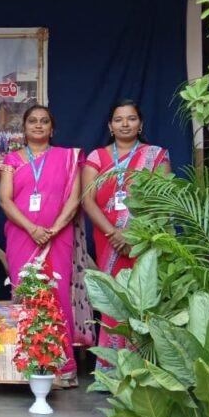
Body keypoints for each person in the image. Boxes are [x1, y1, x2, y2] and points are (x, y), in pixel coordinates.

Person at [82, 99, 170, 370]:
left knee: (143, 297)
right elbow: (87, 200)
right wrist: (113, 234)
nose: (125, 124)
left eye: (131, 119)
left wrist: (133, 235)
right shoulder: (97, 157)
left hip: (143, 240)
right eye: (118, 119)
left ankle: (144, 368)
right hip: (108, 240)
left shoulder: (156, 156)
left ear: (140, 124)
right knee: (113, 299)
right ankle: (111, 369)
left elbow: (163, 200)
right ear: (110, 126)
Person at [0, 105, 83, 387]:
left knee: (57, 297)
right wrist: (32, 228)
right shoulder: (12, 160)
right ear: (24, 128)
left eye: (44, 121)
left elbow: (74, 198)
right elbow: (5, 200)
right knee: (26, 295)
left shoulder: (67, 158)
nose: (38, 125)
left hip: (58, 237)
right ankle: (28, 365)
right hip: (22, 236)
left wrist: (55, 228)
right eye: (32, 121)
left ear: (52, 128)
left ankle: (63, 367)